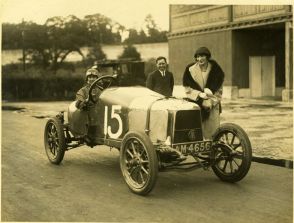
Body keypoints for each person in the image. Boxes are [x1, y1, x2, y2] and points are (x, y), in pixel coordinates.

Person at [182, 47, 224, 139]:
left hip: (212, 106)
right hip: (196, 104)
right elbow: (187, 88)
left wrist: (210, 102)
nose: (200, 59)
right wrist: (199, 94)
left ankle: (213, 148)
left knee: (213, 132)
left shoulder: (216, 70)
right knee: (197, 130)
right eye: (197, 57)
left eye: (202, 56)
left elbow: (219, 91)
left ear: (207, 57)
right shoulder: (190, 69)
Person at [76, 68, 102, 145]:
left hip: (100, 110)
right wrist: (85, 101)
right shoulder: (82, 90)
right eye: (90, 77)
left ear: (97, 78)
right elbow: (79, 103)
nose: (91, 79)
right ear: (87, 79)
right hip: (87, 111)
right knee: (92, 111)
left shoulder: (100, 90)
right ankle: (87, 135)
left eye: (94, 77)